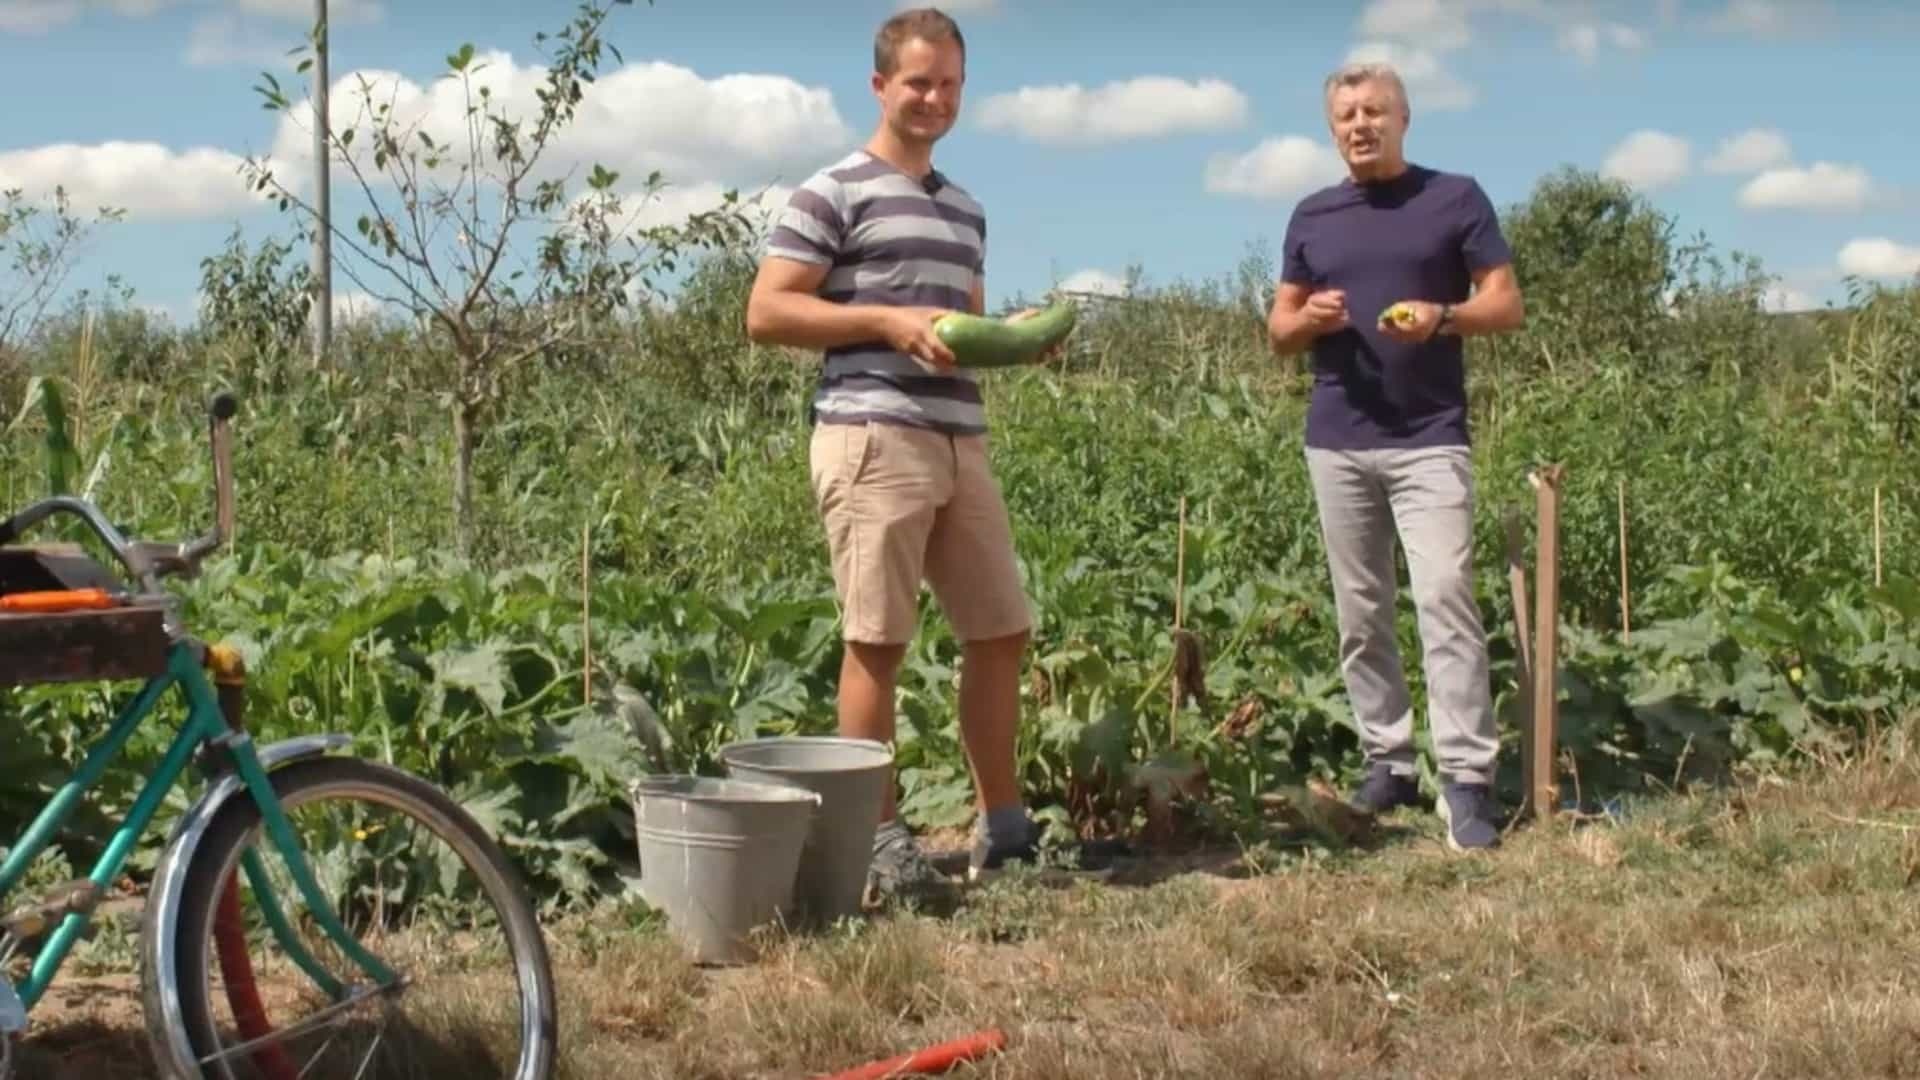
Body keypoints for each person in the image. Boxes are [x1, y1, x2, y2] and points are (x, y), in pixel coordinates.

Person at [744, 7, 1058, 903]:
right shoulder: (831, 192)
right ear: (881, 86)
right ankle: (879, 842)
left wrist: (1023, 339)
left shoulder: (965, 209)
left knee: (1001, 631)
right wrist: (883, 320)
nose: (935, 99)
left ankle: (1005, 830)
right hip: (871, 433)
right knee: (878, 641)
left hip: (960, 436)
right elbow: (766, 312)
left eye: (951, 84)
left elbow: (964, 325)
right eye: (919, 83)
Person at [1265, 61, 1526, 851]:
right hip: (1337, 439)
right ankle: (1389, 761)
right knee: (1361, 610)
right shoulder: (1312, 214)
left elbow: (1506, 304)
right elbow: (1278, 333)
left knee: (1446, 595)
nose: (1360, 124)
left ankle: (1468, 781)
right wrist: (1309, 317)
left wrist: (1443, 317)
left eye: (1375, 110)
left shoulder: (1454, 197)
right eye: (1346, 114)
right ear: (1331, 127)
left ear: (1404, 118)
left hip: (1430, 438)